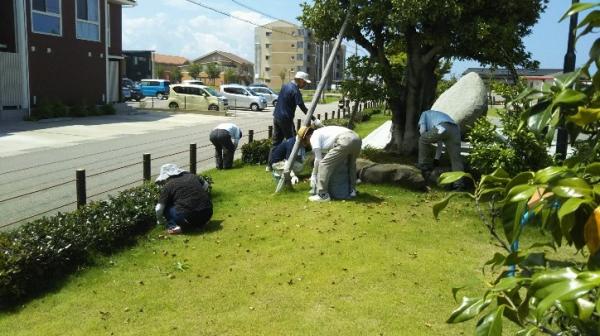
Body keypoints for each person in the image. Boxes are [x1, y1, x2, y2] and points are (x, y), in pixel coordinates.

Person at [298, 125, 362, 202]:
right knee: (351, 165)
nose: (307, 143)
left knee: (324, 164)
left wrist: (314, 175)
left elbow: (318, 159)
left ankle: (322, 195)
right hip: (357, 138)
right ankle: (352, 191)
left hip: (345, 140)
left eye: (305, 141)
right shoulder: (322, 131)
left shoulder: (313, 137)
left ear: (307, 137)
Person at [267, 71, 312, 171]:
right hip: (286, 119)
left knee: (276, 142)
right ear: (300, 80)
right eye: (304, 83)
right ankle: (291, 165)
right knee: (294, 141)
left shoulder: (285, 86)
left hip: (277, 116)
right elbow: (303, 107)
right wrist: (314, 119)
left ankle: (269, 165)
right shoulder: (295, 90)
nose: (305, 85)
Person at [155, 163, 212, 235]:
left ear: (166, 176)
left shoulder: (168, 185)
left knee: (167, 207)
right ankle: (201, 224)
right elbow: (206, 185)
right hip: (208, 213)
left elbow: (159, 209)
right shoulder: (191, 176)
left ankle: (174, 226)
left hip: (188, 217)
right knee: (192, 212)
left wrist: (160, 221)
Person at [417, 110, 464, 188]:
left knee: (422, 139)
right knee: (456, 159)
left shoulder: (423, 114)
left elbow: (422, 132)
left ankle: (423, 165)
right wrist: (436, 159)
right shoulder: (435, 118)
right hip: (455, 129)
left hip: (442, 126)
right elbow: (440, 144)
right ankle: (459, 184)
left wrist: (425, 136)